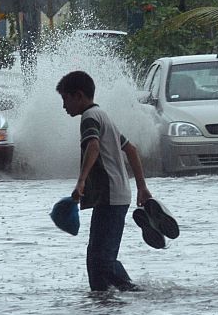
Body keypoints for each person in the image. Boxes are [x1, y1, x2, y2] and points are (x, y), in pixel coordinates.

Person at [56, 70, 152, 292]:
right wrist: (141, 187)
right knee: (97, 259)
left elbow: (93, 146)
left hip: (111, 196)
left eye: (65, 99)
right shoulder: (102, 116)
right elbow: (131, 149)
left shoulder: (90, 117)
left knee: (101, 260)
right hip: (116, 195)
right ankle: (103, 303)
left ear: (79, 96)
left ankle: (135, 294)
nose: (64, 106)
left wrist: (81, 182)